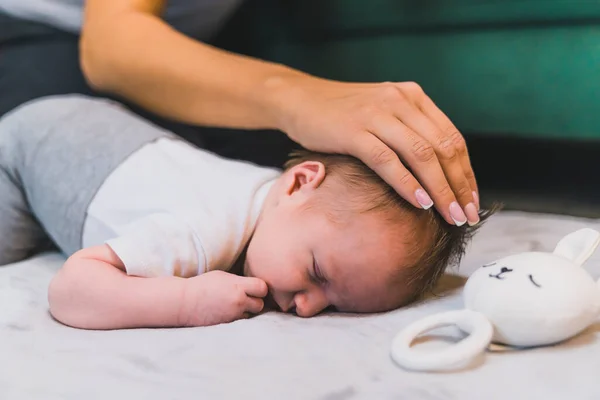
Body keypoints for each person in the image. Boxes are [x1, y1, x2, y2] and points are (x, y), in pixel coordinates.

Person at [0, 95, 491, 330]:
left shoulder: (281, 206)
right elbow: (70, 291)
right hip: (26, 154)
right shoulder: (201, 229)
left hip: (100, 127)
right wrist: (186, 302)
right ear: (299, 182)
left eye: (336, 306)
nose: (308, 305)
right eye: (317, 273)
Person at [0, 0, 481, 229]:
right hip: (48, 33)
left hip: (192, 33)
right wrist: (297, 96)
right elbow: (110, 49)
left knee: (262, 176)